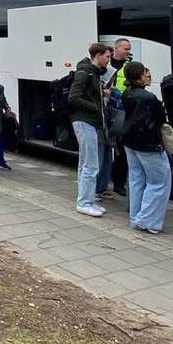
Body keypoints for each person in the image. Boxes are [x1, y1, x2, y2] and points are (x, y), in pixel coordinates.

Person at [119, 61, 170, 233]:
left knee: (136, 180)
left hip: (130, 141)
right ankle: (147, 221)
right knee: (159, 182)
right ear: (140, 76)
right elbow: (161, 118)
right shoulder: (148, 97)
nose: (149, 76)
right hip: (148, 143)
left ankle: (136, 217)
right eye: (146, 73)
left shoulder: (127, 94)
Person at [67, 43, 111, 217]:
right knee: (91, 165)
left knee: (86, 163)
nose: (109, 60)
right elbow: (73, 97)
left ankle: (87, 200)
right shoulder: (85, 73)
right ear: (97, 55)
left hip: (88, 122)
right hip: (85, 122)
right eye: (107, 56)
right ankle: (84, 202)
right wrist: (94, 107)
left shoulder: (92, 73)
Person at [99, 38, 131, 200]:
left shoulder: (130, 66)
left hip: (121, 110)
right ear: (115, 48)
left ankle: (119, 183)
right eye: (125, 48)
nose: (128, 51)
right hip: (107, 108)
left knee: (121, 149)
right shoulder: (106, 65)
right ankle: (102, 183)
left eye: (129, 49)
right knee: (105, 148)